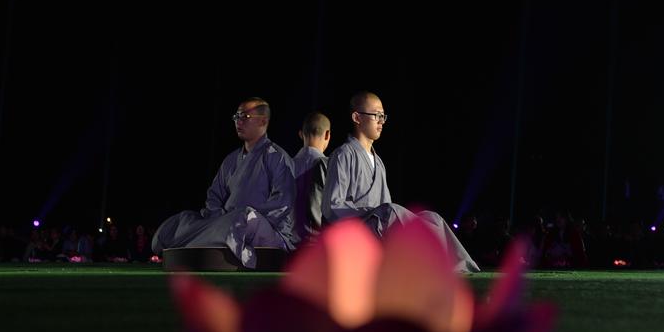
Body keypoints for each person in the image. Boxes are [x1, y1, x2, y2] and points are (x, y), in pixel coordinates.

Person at [321, 91, 479, 273]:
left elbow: (384, 206)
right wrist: (372, 214)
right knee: (390, 211)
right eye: (376, 115)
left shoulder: (378, 162)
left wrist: (380, 214)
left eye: (383, 116)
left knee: (431, 218)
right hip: (355, 231)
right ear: (357, 117)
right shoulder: (343, 155)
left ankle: (460, 268)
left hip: (378, 226)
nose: (381, 121)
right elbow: (331, 207)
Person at [151, 97, 297, 268]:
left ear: (263, 121)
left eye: (245, 117)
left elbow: (282, 204)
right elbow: (214, 196)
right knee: (182, 220)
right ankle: (206, 237)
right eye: (236, 117)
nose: (238, 122)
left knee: (244, 217)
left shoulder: (276, 156)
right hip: (226, 222)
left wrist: (240, 217)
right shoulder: (231, 160)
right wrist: (219, 217)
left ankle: (196, 242)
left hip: (265, 229)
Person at [291, 111, 331, 244]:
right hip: (317, 248)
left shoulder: (285, 166)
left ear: (301, 134)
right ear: (327, 135)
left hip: (286, 248)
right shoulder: (330, 167)